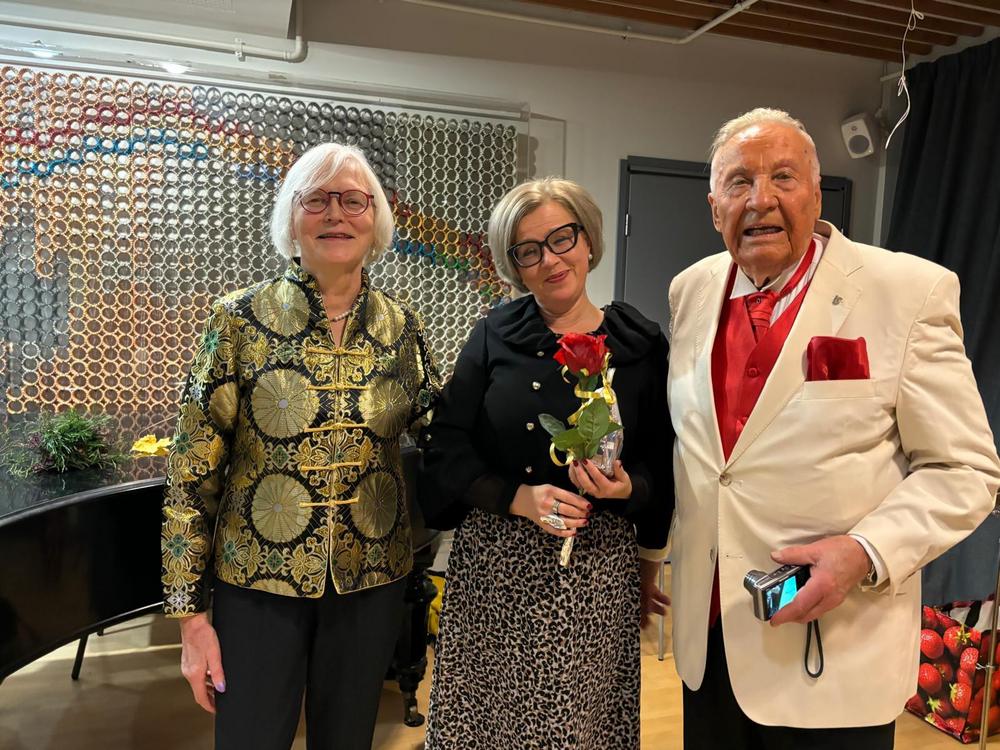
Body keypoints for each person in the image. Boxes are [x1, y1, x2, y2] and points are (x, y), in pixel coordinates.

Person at [640, 107, 1000, 749]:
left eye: (783, 177)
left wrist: (865, 552)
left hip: (833, 649)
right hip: (710, 644)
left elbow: (966, 470)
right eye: (739, 182)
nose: (761, 199)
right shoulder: (690, 290)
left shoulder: (907, 291)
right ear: (714, 208)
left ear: (816, 193)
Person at [160, 142, 440, 750]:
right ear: (292, 217)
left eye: (353, 200)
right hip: (257, 583)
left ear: (376, 219)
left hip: (372, 581)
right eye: (317, 199)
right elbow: (191, 472)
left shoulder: (402, 328)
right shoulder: (238, 320)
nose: (336, 213)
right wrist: (190, 617)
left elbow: (444, 437)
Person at [419, 177, 673, 749]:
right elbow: (447, 445)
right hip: (496, 571)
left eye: (562, 239)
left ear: (588, 240)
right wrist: (516, 497)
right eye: (528, 251)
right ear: (514, 266)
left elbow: (663, 463)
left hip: (596, 575)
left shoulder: (640, 344)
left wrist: (627, 494)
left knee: (574, 728)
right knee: (484, 726)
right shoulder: (494, 336)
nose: (551, 260)